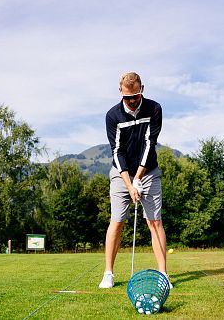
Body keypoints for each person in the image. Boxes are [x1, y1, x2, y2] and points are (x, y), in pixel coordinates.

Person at [99, 71, 172, 289]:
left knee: (154, 221)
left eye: (136, 96)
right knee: (117, 221)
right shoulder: (112, 116)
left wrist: (139, 177)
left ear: (142, 90)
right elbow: (116, 151)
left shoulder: (154, 109)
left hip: (148, 171)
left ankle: (163, 275)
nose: (131, 101)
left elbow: (150, 144)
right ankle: (108, 273)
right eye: (127, 97)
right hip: (121, 173)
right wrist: (130, 184)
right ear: (120, 92)